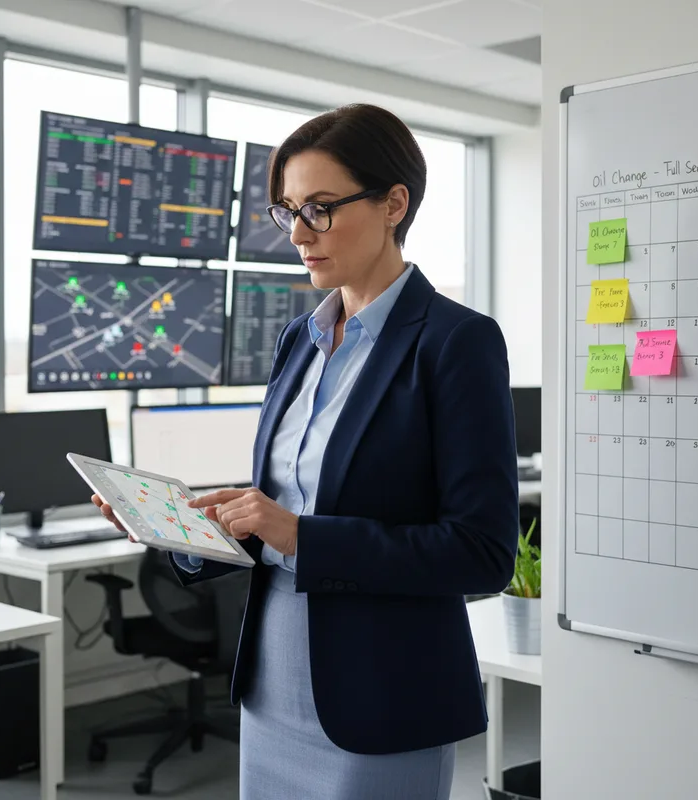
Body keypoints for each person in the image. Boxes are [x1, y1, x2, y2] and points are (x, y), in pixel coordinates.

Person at [93, 103, 518, 800]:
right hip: (272, 689)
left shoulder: (455, 342)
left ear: (394, 204)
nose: (296, 234)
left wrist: (301, 536)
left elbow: (481, 553)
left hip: (381, 696)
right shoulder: (301, 338)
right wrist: (179, 525)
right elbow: (284, 503)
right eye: (286, 211)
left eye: (318, 209)